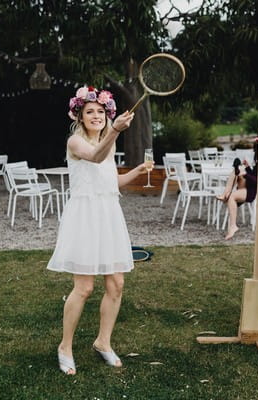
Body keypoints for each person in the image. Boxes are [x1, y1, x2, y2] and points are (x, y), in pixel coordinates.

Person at [47, 86, 152, 375]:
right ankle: (65, 346)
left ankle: (103, 342)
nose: (96, 116)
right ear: (79, 117)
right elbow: (93, 157)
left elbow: (111, 182)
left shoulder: (109, 142)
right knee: (84, 287)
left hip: (108, 215)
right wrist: (116, 131)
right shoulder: (75, 142)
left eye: (101, 112)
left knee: (116, 284)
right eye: (90, 111)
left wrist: (138, 171)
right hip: (85, 217)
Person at [216, 139, 258, 240]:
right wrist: (248, 168)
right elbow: (254, 175)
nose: (253, 150)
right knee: (235, 171)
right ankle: (225, 194)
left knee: (231, 197)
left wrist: (246, 174)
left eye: (254, 148)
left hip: (253, 191)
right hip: (249, 186)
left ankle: (233, 226)